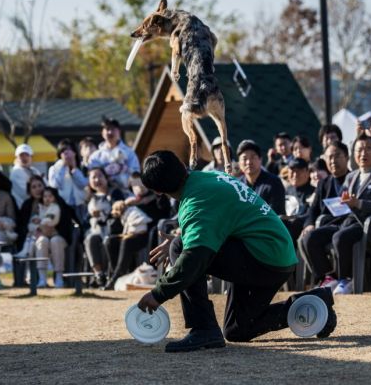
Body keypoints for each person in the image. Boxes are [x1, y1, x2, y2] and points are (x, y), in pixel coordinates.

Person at [136, 150, 337, 352]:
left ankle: (203, 328)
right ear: (180, 164)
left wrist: (159, 293)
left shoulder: (196, 200)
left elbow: (194, 257)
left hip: (263, 258)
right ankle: (316, 303)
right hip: (276, 254)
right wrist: (183, 237)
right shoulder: (209, 177)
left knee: (180, 249)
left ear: (158, 191)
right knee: (237, 330)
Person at [308, 136, 371, 295]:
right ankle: (329, 277)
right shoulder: (351, 176)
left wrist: (360, 203)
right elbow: (345, 203)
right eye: (359, 150)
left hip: (370, 225)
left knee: (340, 237)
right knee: (311, 237)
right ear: (354, 155)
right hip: (346, 221)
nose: (363, 153)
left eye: (368, 148)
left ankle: (346, 279)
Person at [299, 142, 351, 287]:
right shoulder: (324, 183)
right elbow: (313, 209)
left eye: (337, 156)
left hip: (348, 224)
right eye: (329, 157)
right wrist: (309, 224)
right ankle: (328, 276)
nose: (333, 161)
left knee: (340, 237)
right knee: (308, 237)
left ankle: (343, 280)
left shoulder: (354, 178)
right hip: (330, 226)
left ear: (346, 157)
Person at [83, 167, 126, 287]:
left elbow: (118, 211)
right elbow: (85, 221)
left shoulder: (114, 193)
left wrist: (104, 215)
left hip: (113, 230)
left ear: (106, 177)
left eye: (100, 176)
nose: (97, 180)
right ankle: (99, 275)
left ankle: (109, 275)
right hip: (96, 231)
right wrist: (91, 215)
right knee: (90, 239)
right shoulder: (90, 197)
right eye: (93, 177)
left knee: (105, 240)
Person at [103, 200, 152, 290]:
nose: (112, 212)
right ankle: (116, 274)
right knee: (109, 241)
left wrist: (124, 236)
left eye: (114, 209)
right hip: (131, 236)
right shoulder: (126, 215)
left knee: (126, 241)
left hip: (141, 237)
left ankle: (116, 277)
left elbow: (138, 231)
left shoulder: (133, 212)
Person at [88, 118, 140, 189]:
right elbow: (91, 179)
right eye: (107, 129)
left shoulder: (129, 153)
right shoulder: (95, 156)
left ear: (119, 131)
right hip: (105, 195)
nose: (110, 132)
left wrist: (124, 169)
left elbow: (137, 178)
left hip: (127, 193)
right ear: (102, 133)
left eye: (113, 129)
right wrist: (105, 172)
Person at [237, 140, 286, 215]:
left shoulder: (274, 183)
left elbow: (275, 214)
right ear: (239, 163)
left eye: (253, 157)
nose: (248, 162)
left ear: (260, 159)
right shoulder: (237, 184)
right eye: (244, 158)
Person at [48, 139, 89, 222]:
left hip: (80, 205)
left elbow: (84, 184)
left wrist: (74, 169)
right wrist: (63, 166)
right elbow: (55, 185)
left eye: (70, 150)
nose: (67, 154)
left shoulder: (83, 167)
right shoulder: (54, 169)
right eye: (64, 151)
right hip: (63, 205)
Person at [283, 157, 315, 240]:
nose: (295, 175)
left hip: (300, 227)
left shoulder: (314, 191)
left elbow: (311, 214)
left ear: (307, 173)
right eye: (292, 171)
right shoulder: (286, 190)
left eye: (299, 171)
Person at [10, 143, 42, 209]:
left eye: (27, 155)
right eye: (21, 155)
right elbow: (27, 192)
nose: (24, 158)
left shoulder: (34, 170)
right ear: (17, 158)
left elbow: (45, 185)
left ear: (31, 157)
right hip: (23, 208)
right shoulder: (16, 172)